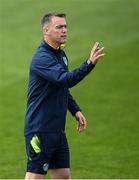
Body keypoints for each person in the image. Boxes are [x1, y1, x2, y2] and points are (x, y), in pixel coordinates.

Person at [24, 12, 105, 179]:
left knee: (63, 175)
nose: (64, 30)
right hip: (41, 129)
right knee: (35, 176)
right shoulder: (42, 58)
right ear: (46, 31)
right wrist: (89, 64)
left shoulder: (59, 54)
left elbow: (61, 88)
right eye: (59, 27)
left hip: (57, 129)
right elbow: (65, 79)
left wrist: (75, 110)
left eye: (65, 26)